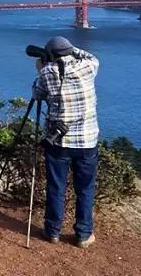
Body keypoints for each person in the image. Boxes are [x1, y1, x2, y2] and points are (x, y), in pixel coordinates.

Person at [33, 36, 99, 249]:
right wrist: (67, 50)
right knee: (85, 188)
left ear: (51, 55)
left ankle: (52, 231)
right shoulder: (90, 66)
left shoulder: (47, 72)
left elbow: (37, 94)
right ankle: (83, 234)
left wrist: (42, 66)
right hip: (87, 141)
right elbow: (88, 55)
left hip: (58, 142)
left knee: (56, 186)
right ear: (70, 50)